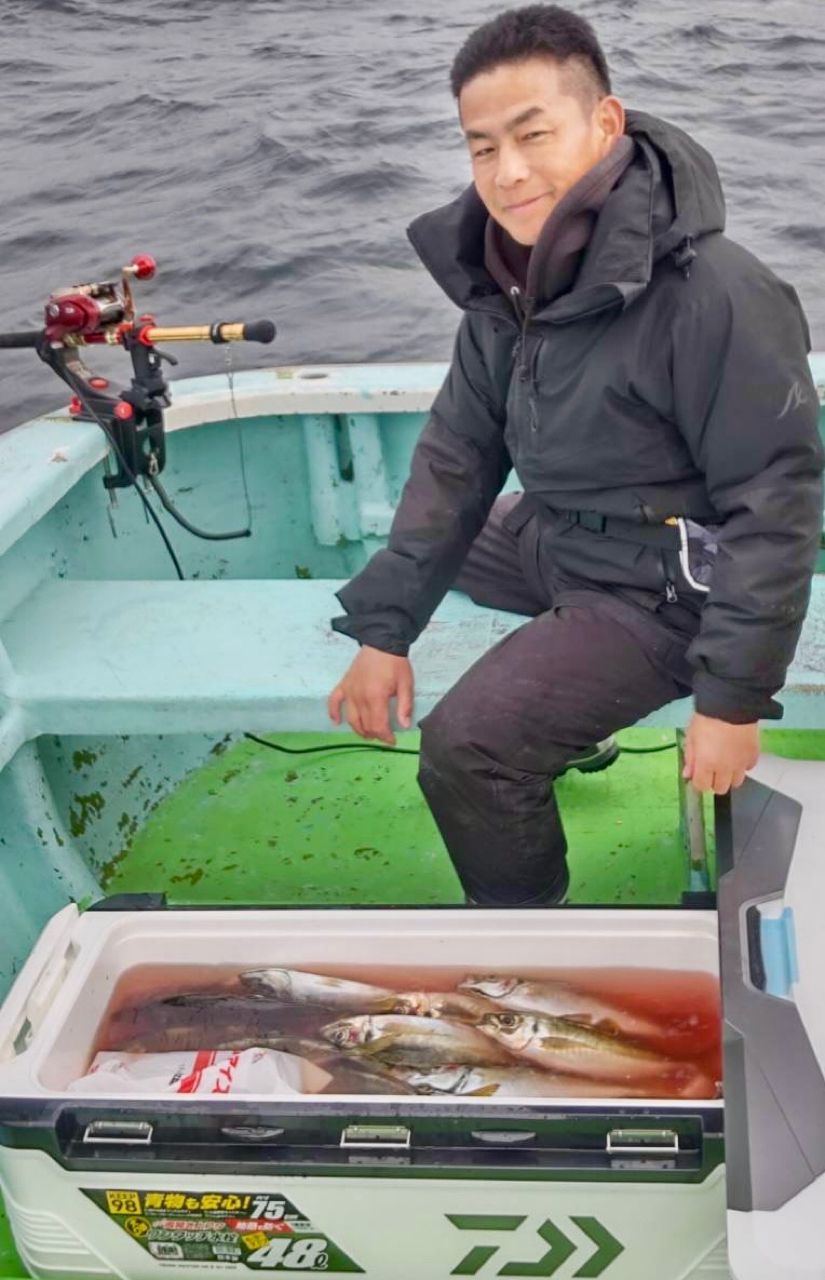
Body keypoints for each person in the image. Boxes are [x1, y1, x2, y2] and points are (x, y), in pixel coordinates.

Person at [327, 4, 824, 907]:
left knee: (466, 746)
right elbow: (457, 458)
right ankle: (569, 718)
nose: (507, 173)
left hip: (669, 589)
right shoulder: (501, 278)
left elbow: (773, 500)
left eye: (532, 134)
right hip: (561, 534)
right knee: (425, 554)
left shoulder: (715, 294)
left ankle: (526, 930)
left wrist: (732, 701)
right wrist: (382, 630)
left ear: (603, 124)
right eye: (482, 148)